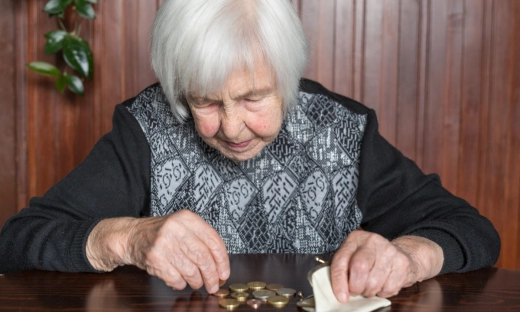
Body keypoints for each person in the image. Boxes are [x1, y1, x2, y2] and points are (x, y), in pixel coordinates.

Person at [0, 0, 499, 304]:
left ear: (287, 80)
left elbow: (472, 230)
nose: (233, 127)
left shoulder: (343, 129)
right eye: (206, 101)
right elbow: (17, 241)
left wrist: (407, 257)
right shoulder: (144, 127)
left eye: (253, 98)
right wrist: (125, 238)